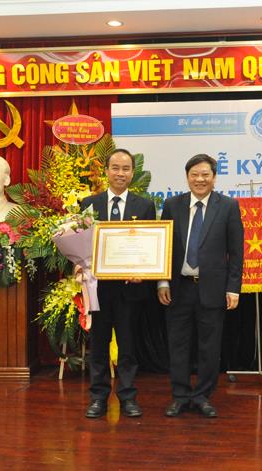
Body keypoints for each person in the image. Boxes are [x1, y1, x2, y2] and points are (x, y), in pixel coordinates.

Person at [158, 154, 244, 418]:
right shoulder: (172, 205)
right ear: (187, 177)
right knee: (178, 345)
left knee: (210, 347)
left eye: (205, 174)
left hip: (213, 289)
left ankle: (203, 396)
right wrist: (162, 281)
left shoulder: (228, 206)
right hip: (178, 288)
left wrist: (233, 288)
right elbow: (163, 246)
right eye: (194, 174)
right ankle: (180, 396)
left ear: (214, 177)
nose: (200, 179)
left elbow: (236, 252)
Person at [80, 148, 156, 419]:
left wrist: (143, 270)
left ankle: (128, 397)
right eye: (115, 168)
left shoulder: (144, 206)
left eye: (125, 169)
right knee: (98, 345)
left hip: (130, 289)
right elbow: (81, 244)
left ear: (132, 173)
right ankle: (98, 398)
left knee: (128, 346)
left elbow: (149, 245)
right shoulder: (89, 204)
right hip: (98, 289)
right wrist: (80, 265)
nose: (120, 173)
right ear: (106, 171)